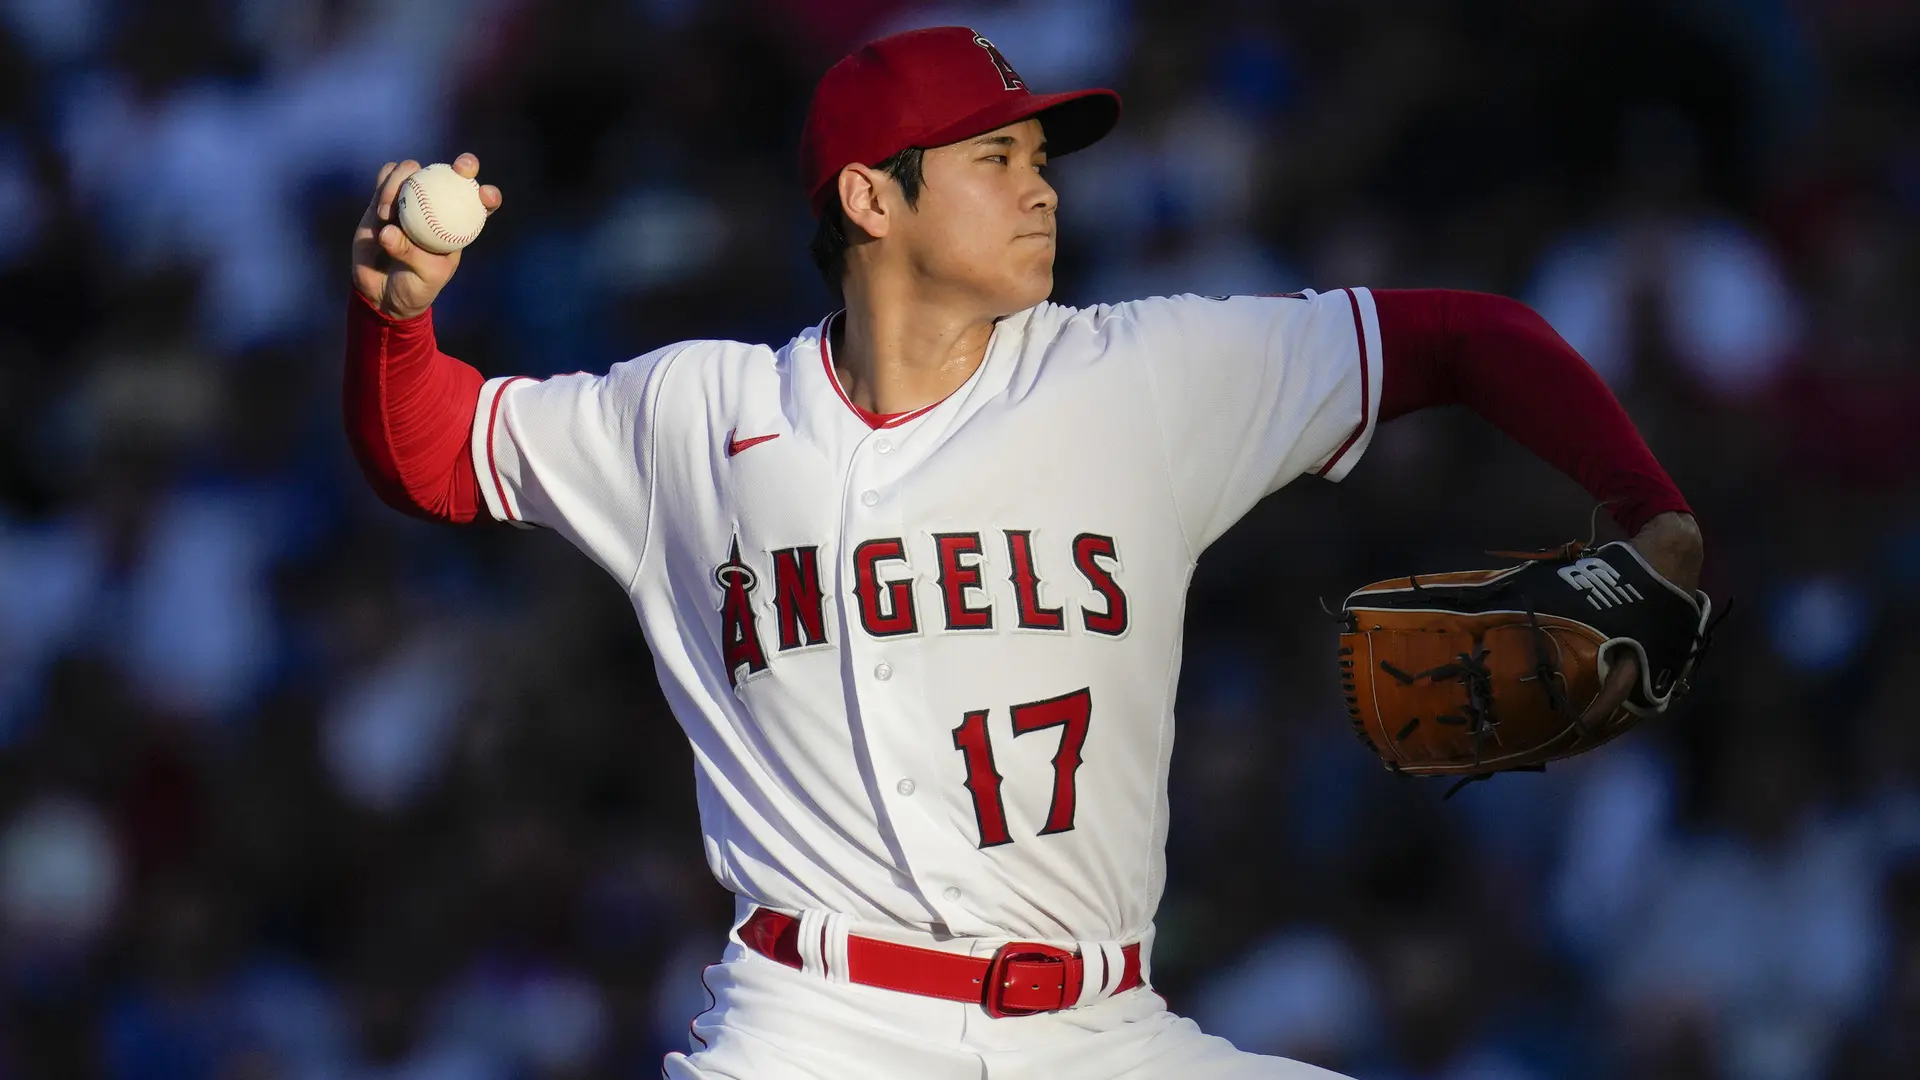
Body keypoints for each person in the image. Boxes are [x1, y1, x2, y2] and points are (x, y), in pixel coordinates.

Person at [343, 26, 1703, 1080]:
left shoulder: (1141, 377)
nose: (1039, 188)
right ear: (874, 199)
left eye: (1040, 160)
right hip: (821, 1024)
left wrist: (1650, 509)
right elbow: (434, 453)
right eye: (996, 160)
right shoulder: (694, 415)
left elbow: (1458, 336)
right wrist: (396, 322)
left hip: (1102, 1028)